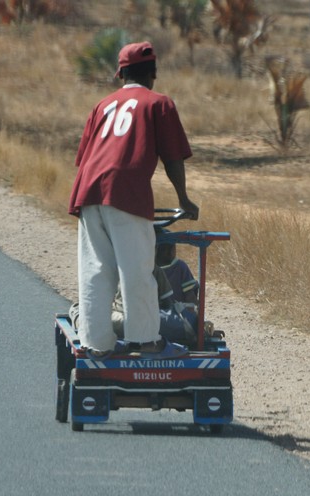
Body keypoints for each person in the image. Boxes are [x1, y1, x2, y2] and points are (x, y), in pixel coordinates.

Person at [68, 41, 199, 359]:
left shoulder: (103, 105)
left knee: (96, 269)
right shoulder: (158, 103)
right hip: (125, 191)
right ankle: (146, 342)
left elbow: (84, 157)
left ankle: (95, 344)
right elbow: (172, 157)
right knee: (137, 268)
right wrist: (184, 199)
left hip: (88, 190)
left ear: (120, 74)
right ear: (153, 73)